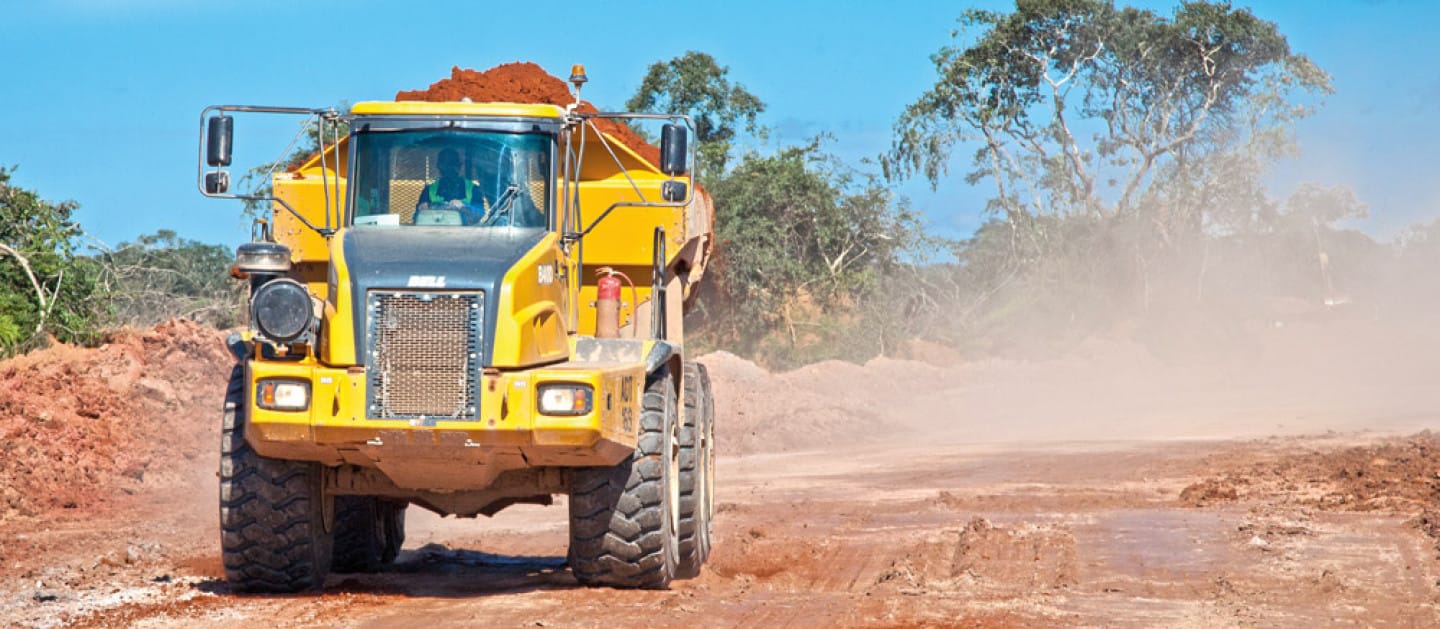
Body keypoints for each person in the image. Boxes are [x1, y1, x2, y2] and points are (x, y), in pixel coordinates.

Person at [416, 148, 479, 213]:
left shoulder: (473, 189)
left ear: (459, 166)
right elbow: (416, 218)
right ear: (439, 166)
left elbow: (481, 213)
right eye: (445, 165)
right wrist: (421, 209)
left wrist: (465, 207)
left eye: (452, 164)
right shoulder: (429, 190)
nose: (449, 168)